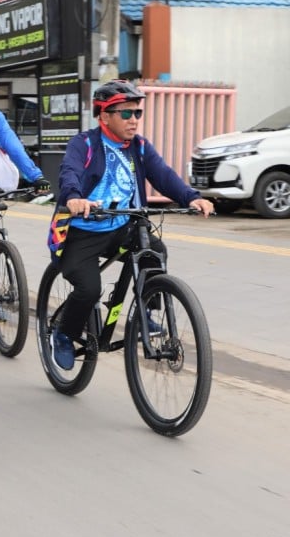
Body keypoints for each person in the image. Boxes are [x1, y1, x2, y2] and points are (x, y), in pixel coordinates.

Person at [48, 79, 215, 371]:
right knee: (89, 290)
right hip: (80, 232)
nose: (134, 120)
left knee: (154, 251)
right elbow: (69, 174)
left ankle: (145, 311)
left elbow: (163, 175)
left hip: (122, 227)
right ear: (104, 115)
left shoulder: (139, 147)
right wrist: (74, 199)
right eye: (126, 113)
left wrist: (192, 197)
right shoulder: (84, 143)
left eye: (137, 113)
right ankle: (63, 335)